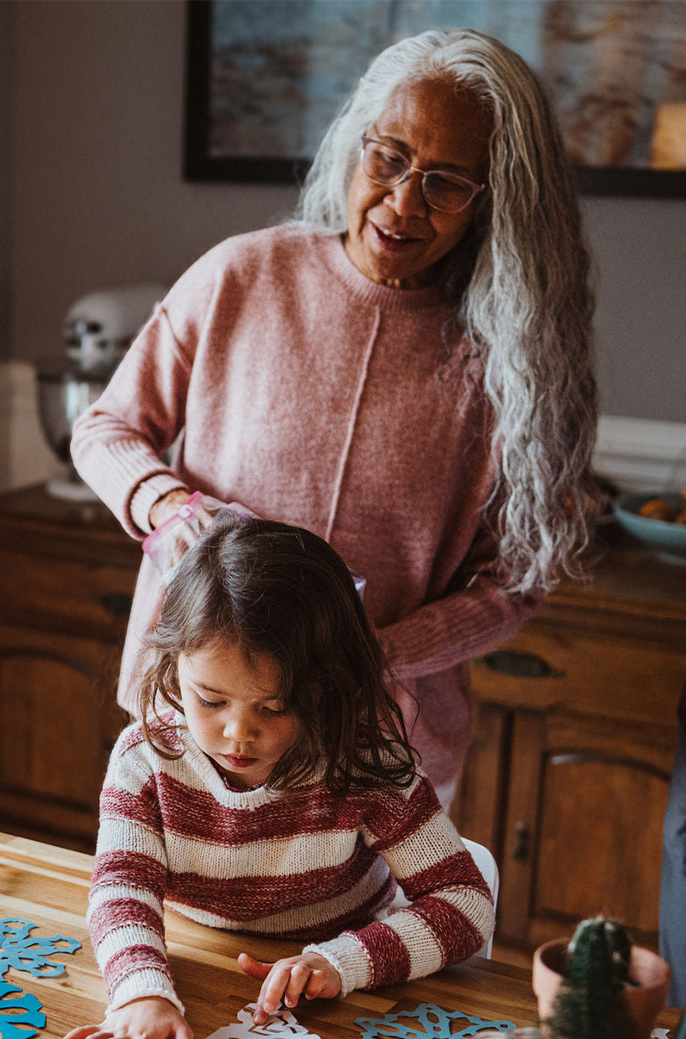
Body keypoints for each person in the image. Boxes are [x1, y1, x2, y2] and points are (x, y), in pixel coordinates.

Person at [71, 28, 598, 794]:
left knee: (377, 920)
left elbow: (514, 580)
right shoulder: (242, 275)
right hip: (196, 721)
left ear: (494, 203)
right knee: (167, 912)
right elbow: (107, 428)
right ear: (357, 144)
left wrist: (377, 652)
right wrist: (167, 507)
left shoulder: (512, 360)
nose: (402, 202)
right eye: (389, 158)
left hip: (379, 743)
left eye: (447, 183)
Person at [59, 519, 495, 1039]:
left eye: (275, 707)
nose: (239, 733)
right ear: (172, 666)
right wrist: (140, 992)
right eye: (210, 699)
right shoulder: (146, 756)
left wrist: (339, 962)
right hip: (202, 960)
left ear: (333, 687)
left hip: (341, 1007)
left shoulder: (365, 765)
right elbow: (120, 888)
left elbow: (464, 901)